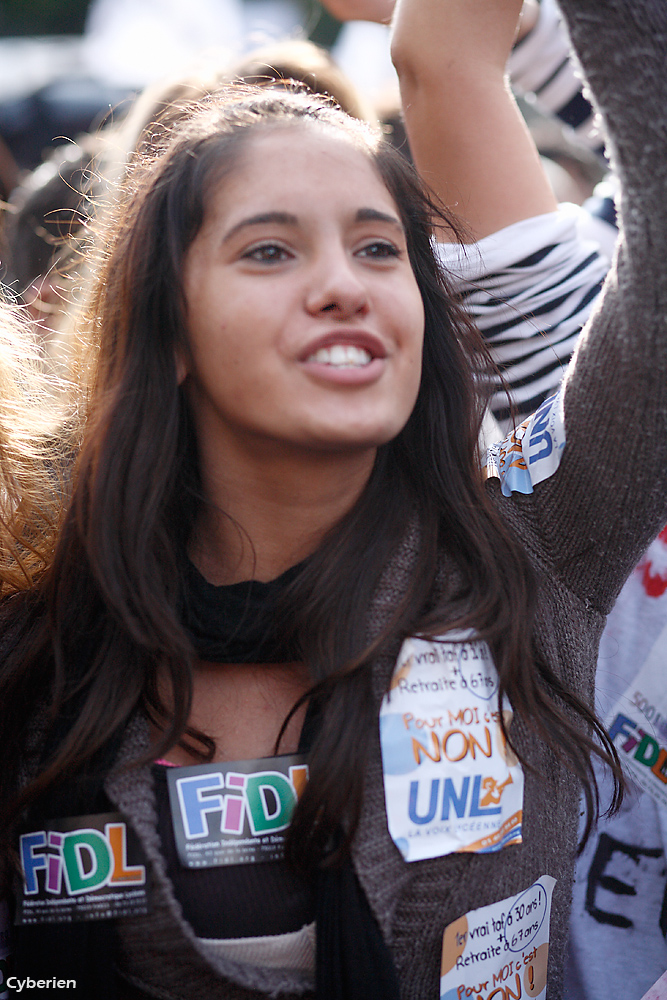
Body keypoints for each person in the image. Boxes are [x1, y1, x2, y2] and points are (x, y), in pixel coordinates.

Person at [1, 2, 667, 998]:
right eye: (270, 251)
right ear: (166, 331)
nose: (341, 287)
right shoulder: (36, 635)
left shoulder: (537, 549)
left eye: (379, 249)